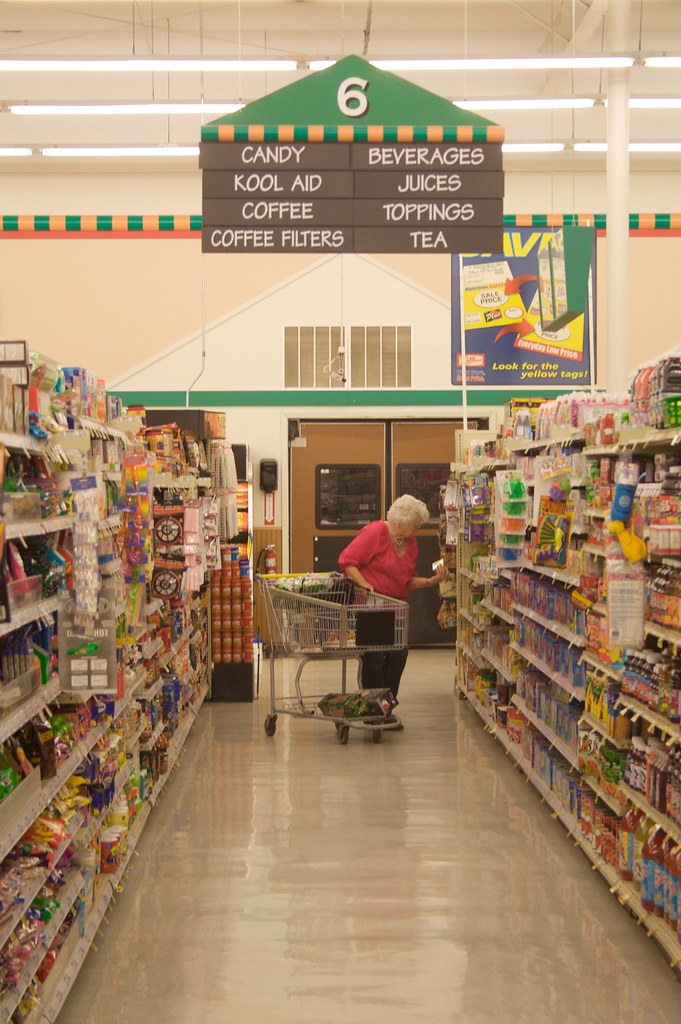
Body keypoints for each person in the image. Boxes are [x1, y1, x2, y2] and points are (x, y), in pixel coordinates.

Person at [338, 494, 449, 715]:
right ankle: (372, 709)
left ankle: (386, 705)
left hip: (395, 611)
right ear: (401, 521)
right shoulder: (376, 532)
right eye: (416, 526)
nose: (417, 531)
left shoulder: (410, 543)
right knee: (375, 658)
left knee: (399, 655)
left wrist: (431, 581)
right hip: (370, 609)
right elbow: (347, 561)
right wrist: (364, 584)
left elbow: (406, 580)